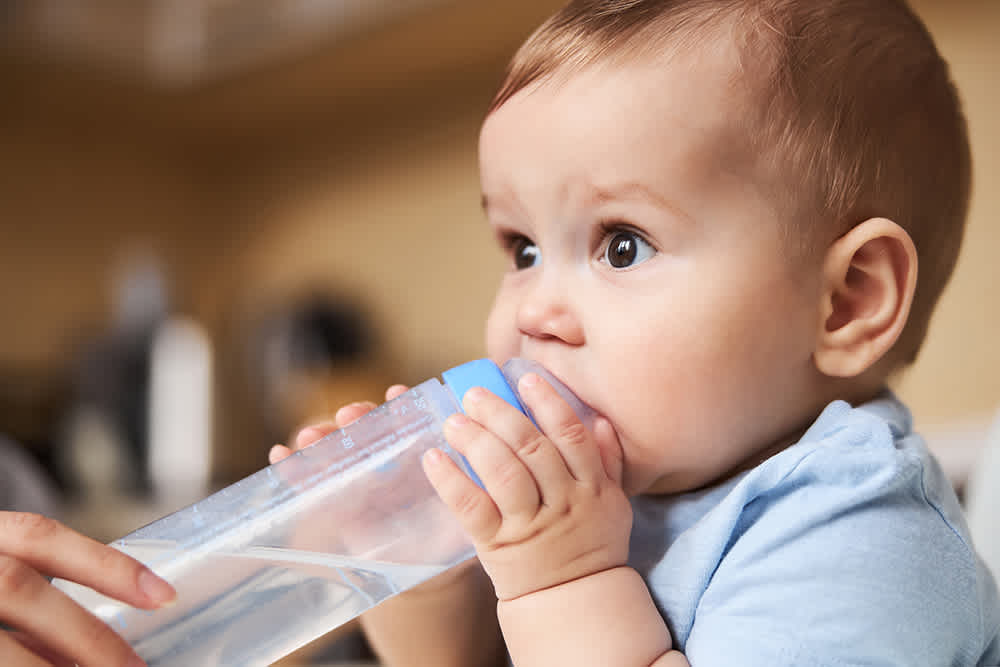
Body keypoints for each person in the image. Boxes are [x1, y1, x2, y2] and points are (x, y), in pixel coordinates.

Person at [269, 0, 1000, 665]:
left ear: (847, 301)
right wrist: (413, 567)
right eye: (522, 248)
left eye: (622, 244)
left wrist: (563, 582)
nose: (532, 314)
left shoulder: (858, 535)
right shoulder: (609, 492)